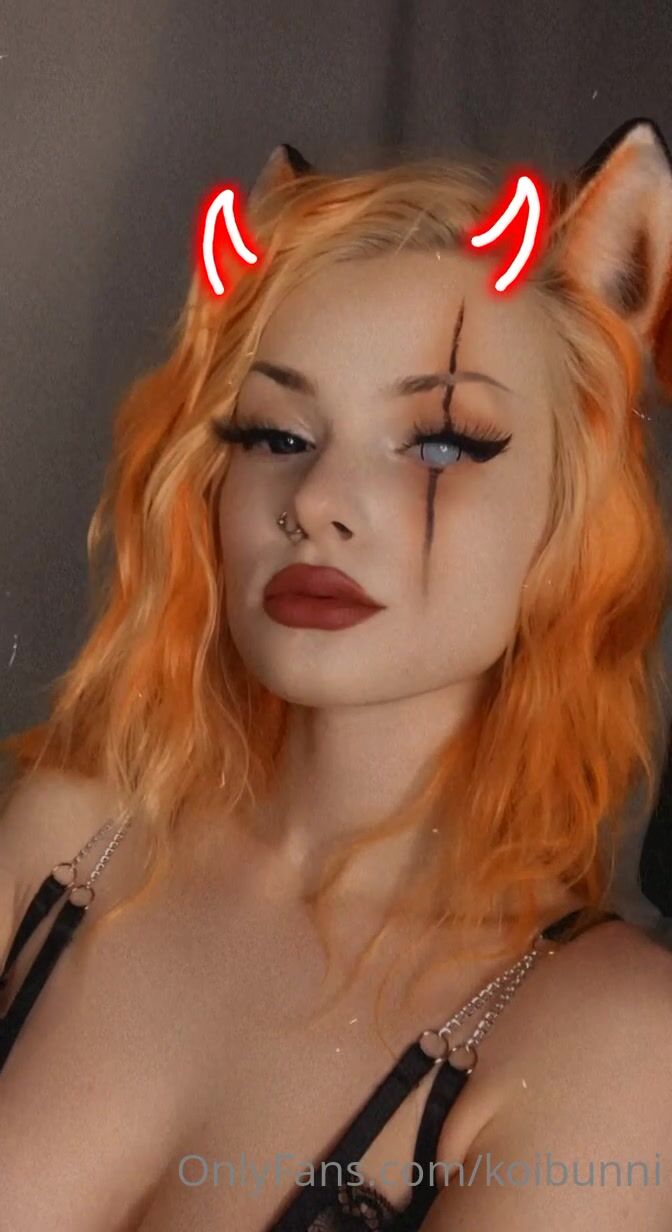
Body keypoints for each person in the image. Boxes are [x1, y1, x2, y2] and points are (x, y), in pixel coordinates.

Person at [1, 117, 672, 1231]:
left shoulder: (608, 1044)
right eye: (274, 434)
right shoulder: (59, 849)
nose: (316, 502)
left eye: (442, 442)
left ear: (576, 509)